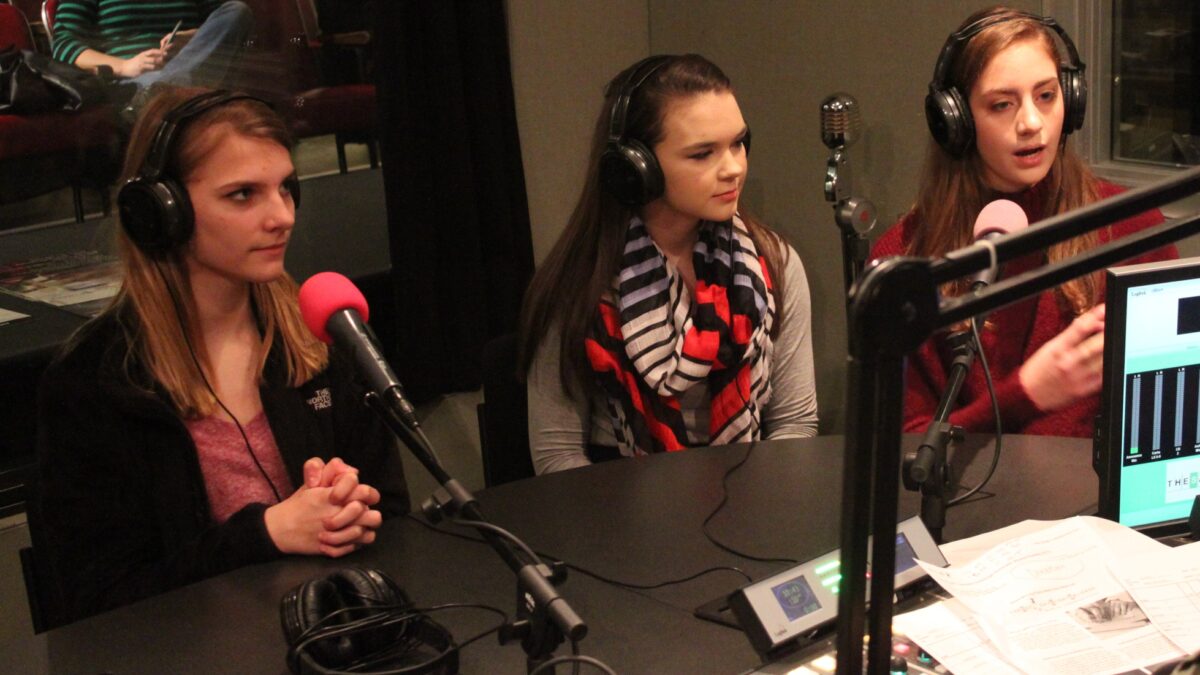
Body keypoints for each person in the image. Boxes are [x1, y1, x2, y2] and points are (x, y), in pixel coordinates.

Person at [35, 87, 409, 624]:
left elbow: (394, 516)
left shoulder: (318, 335)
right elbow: (98, 602)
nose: (281, 216)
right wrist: (265, 534)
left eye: (286, 189)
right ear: (162, 211)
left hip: (334, 640)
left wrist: (353, 511)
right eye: (243, 195)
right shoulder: (94, 383)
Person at [870, 6, 1177, 439]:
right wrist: (1029, 393)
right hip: (972, 505)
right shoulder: (904, 259)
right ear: (954, 120)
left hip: (1097, 505)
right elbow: (904, 452)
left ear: (1070, 100)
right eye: (1002, 104)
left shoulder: (1133, 227)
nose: (1032, 123)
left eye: (1047, 96)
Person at [519, 54, 819, 474]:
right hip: (618, 506)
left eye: (738, 143)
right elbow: (557, 454)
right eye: (702, 154)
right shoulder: (578, 282)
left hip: (751, 492)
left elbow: (794, 423)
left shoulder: (776, 261)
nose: (733, 168)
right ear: (634, 166)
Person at [50, 0, 252, 93]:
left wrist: (189, 38)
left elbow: (220, 23)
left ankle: (165, 89)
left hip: (193, 68)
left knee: (237, 11)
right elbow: (63, 45)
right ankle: (165, 91)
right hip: (130, 81)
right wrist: (124, 66)